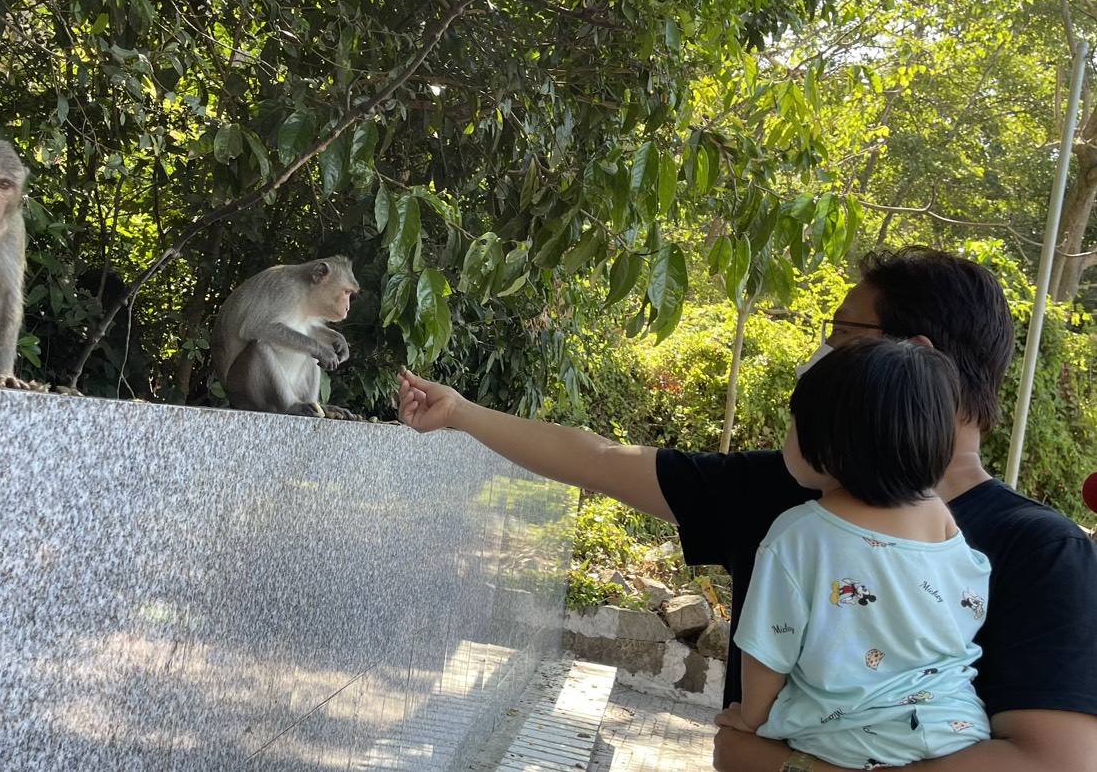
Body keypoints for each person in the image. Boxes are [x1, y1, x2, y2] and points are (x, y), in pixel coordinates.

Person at [397, 247, 1097, 771]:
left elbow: (1052, 762)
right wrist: (463, 414)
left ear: (910, 357)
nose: (819, 353)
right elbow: (600, 459)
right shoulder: (785, 494)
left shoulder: (1039, 549)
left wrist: (789, 765)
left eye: (842, 334)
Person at [733, 338, 990, 769]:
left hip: (845, 739)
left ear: (829, 439)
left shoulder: (800, 534)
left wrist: (752, 718)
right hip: (958, 731)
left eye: (794, 421)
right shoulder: (941, 519)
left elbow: (768, 647)